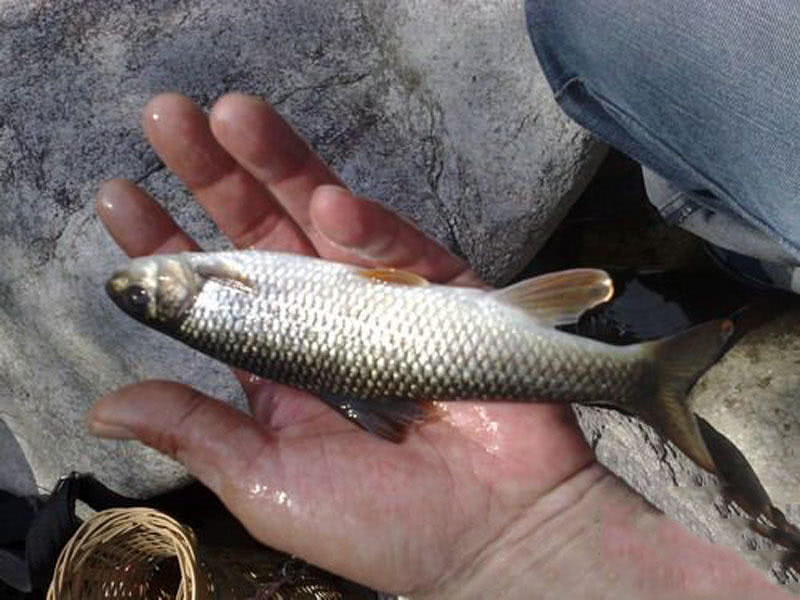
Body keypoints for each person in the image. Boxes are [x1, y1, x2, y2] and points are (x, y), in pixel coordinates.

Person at [88, 2, 798, 598]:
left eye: (146, 290)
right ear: (179, 296)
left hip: (418, 356)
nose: (148, 280)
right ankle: (653, 359)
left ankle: (728, 259)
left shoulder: (211, 297)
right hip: (430, 350)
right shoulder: (210, 292)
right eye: (148, 296)